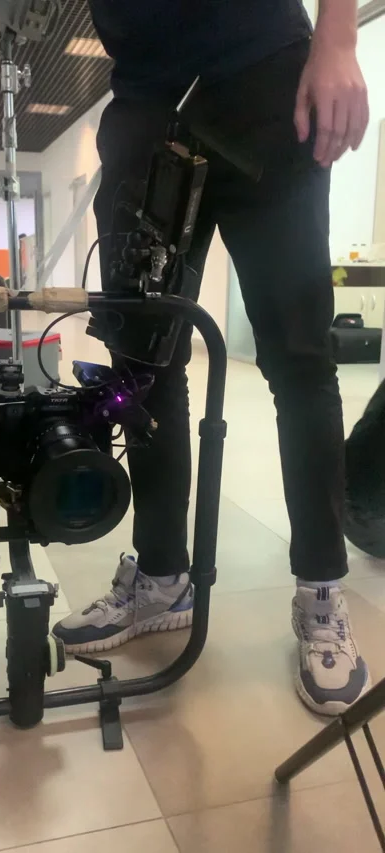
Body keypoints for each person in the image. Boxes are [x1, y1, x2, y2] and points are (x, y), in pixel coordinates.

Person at [53, 0, 370, 717]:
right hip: (142, 95)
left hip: (264, 76)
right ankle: (163, 576)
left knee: (298, 359)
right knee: (146, 361)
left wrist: (339, 35)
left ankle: (321, 589)